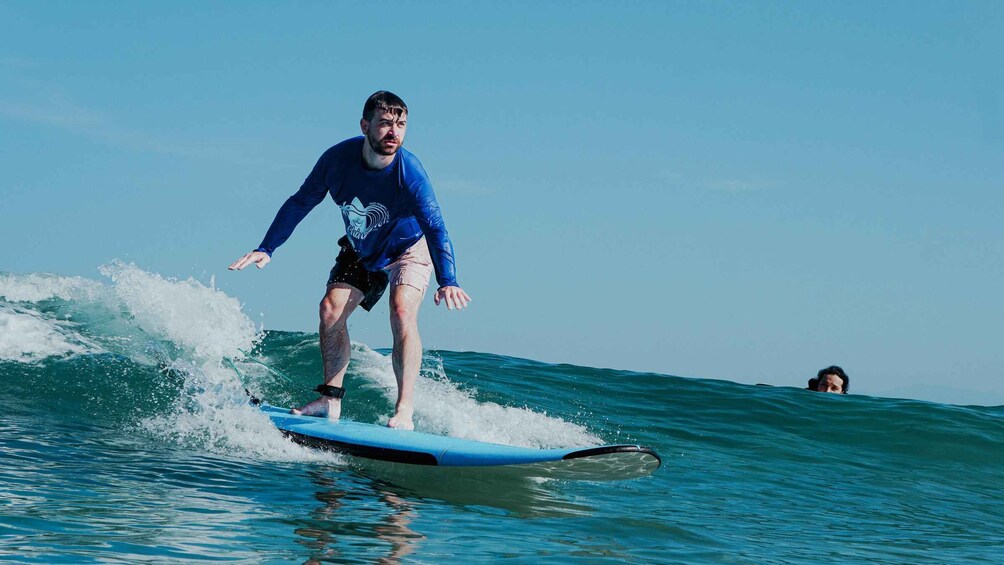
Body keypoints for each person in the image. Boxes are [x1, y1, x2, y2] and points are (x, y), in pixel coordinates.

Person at [229, 91, 471, 430]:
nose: (394, 132)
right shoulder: (336, 161)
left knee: (402, 310)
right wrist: (267, 247)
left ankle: (404, 410)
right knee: (330, 309)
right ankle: (330, 400)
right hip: (362, 248)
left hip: (408, 249)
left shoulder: (410, 173)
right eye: (385, 123)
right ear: (365, 125)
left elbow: (435, 226)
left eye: (400, 125)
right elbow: (301, 202)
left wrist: (448, 280)